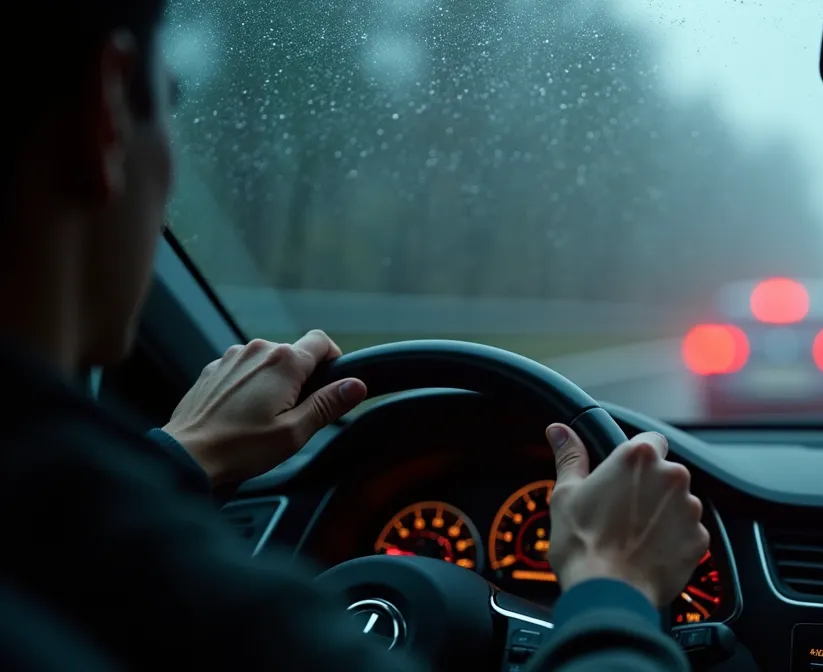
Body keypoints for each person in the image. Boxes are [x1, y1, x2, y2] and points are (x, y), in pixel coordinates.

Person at [0, 1, 707, 670]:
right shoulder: (233, 626)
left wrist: (177, 459)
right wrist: (612, 586)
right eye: (171, 100)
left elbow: (70, 547)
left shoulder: (56, 537)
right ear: (108, 112)